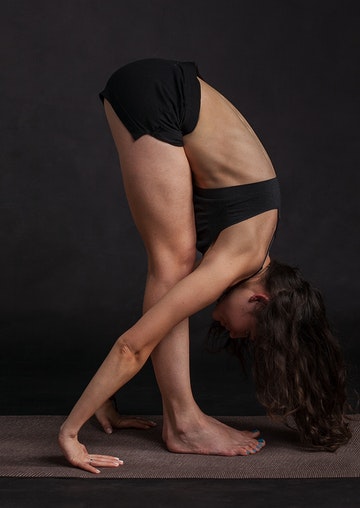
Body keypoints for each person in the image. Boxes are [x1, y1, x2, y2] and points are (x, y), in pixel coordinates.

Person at [58, 59, 351, 473]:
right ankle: (183, 423)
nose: (234, 335)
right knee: (172, 265)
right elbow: (132, 345)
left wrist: (106, 395)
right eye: (250, 332)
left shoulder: (253, 243)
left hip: (166, 90)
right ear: (259, 299)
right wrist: (71, 432)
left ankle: (182, 419)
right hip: (158, 94)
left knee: (175, 267)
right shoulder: (236, 259)